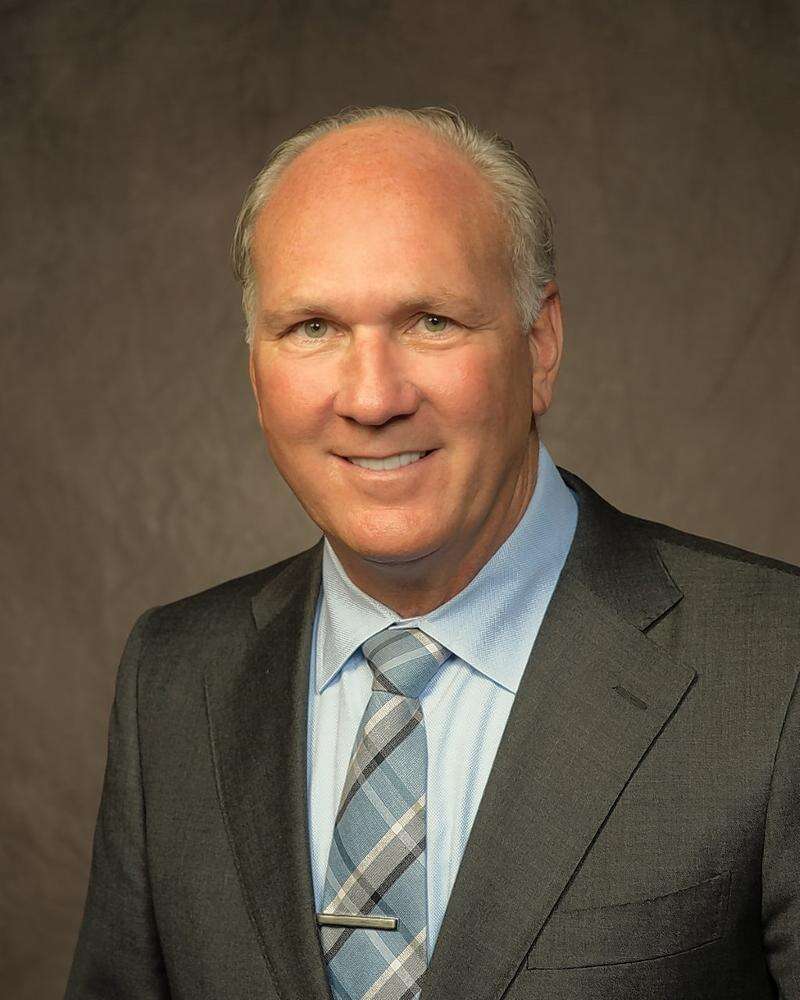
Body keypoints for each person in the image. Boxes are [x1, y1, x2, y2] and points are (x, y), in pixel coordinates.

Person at [65, 106, 799, 1000]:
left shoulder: (775, 669)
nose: (373, 399)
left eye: (431, 321)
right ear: (255, 369)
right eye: (313, 328)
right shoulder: (175, 679)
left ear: (540, 346)